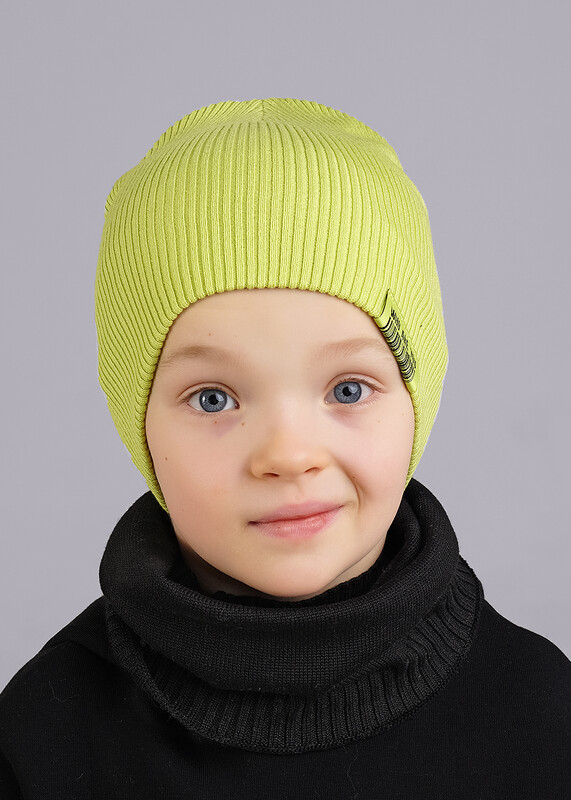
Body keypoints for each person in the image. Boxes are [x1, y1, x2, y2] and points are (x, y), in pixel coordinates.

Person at [0, 98, 569, 799]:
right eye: (214, 399)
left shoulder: (538, 715)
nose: (289, 455)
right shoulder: (45, 735)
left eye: (348, 390)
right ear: (137, 422)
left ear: (417, 402)